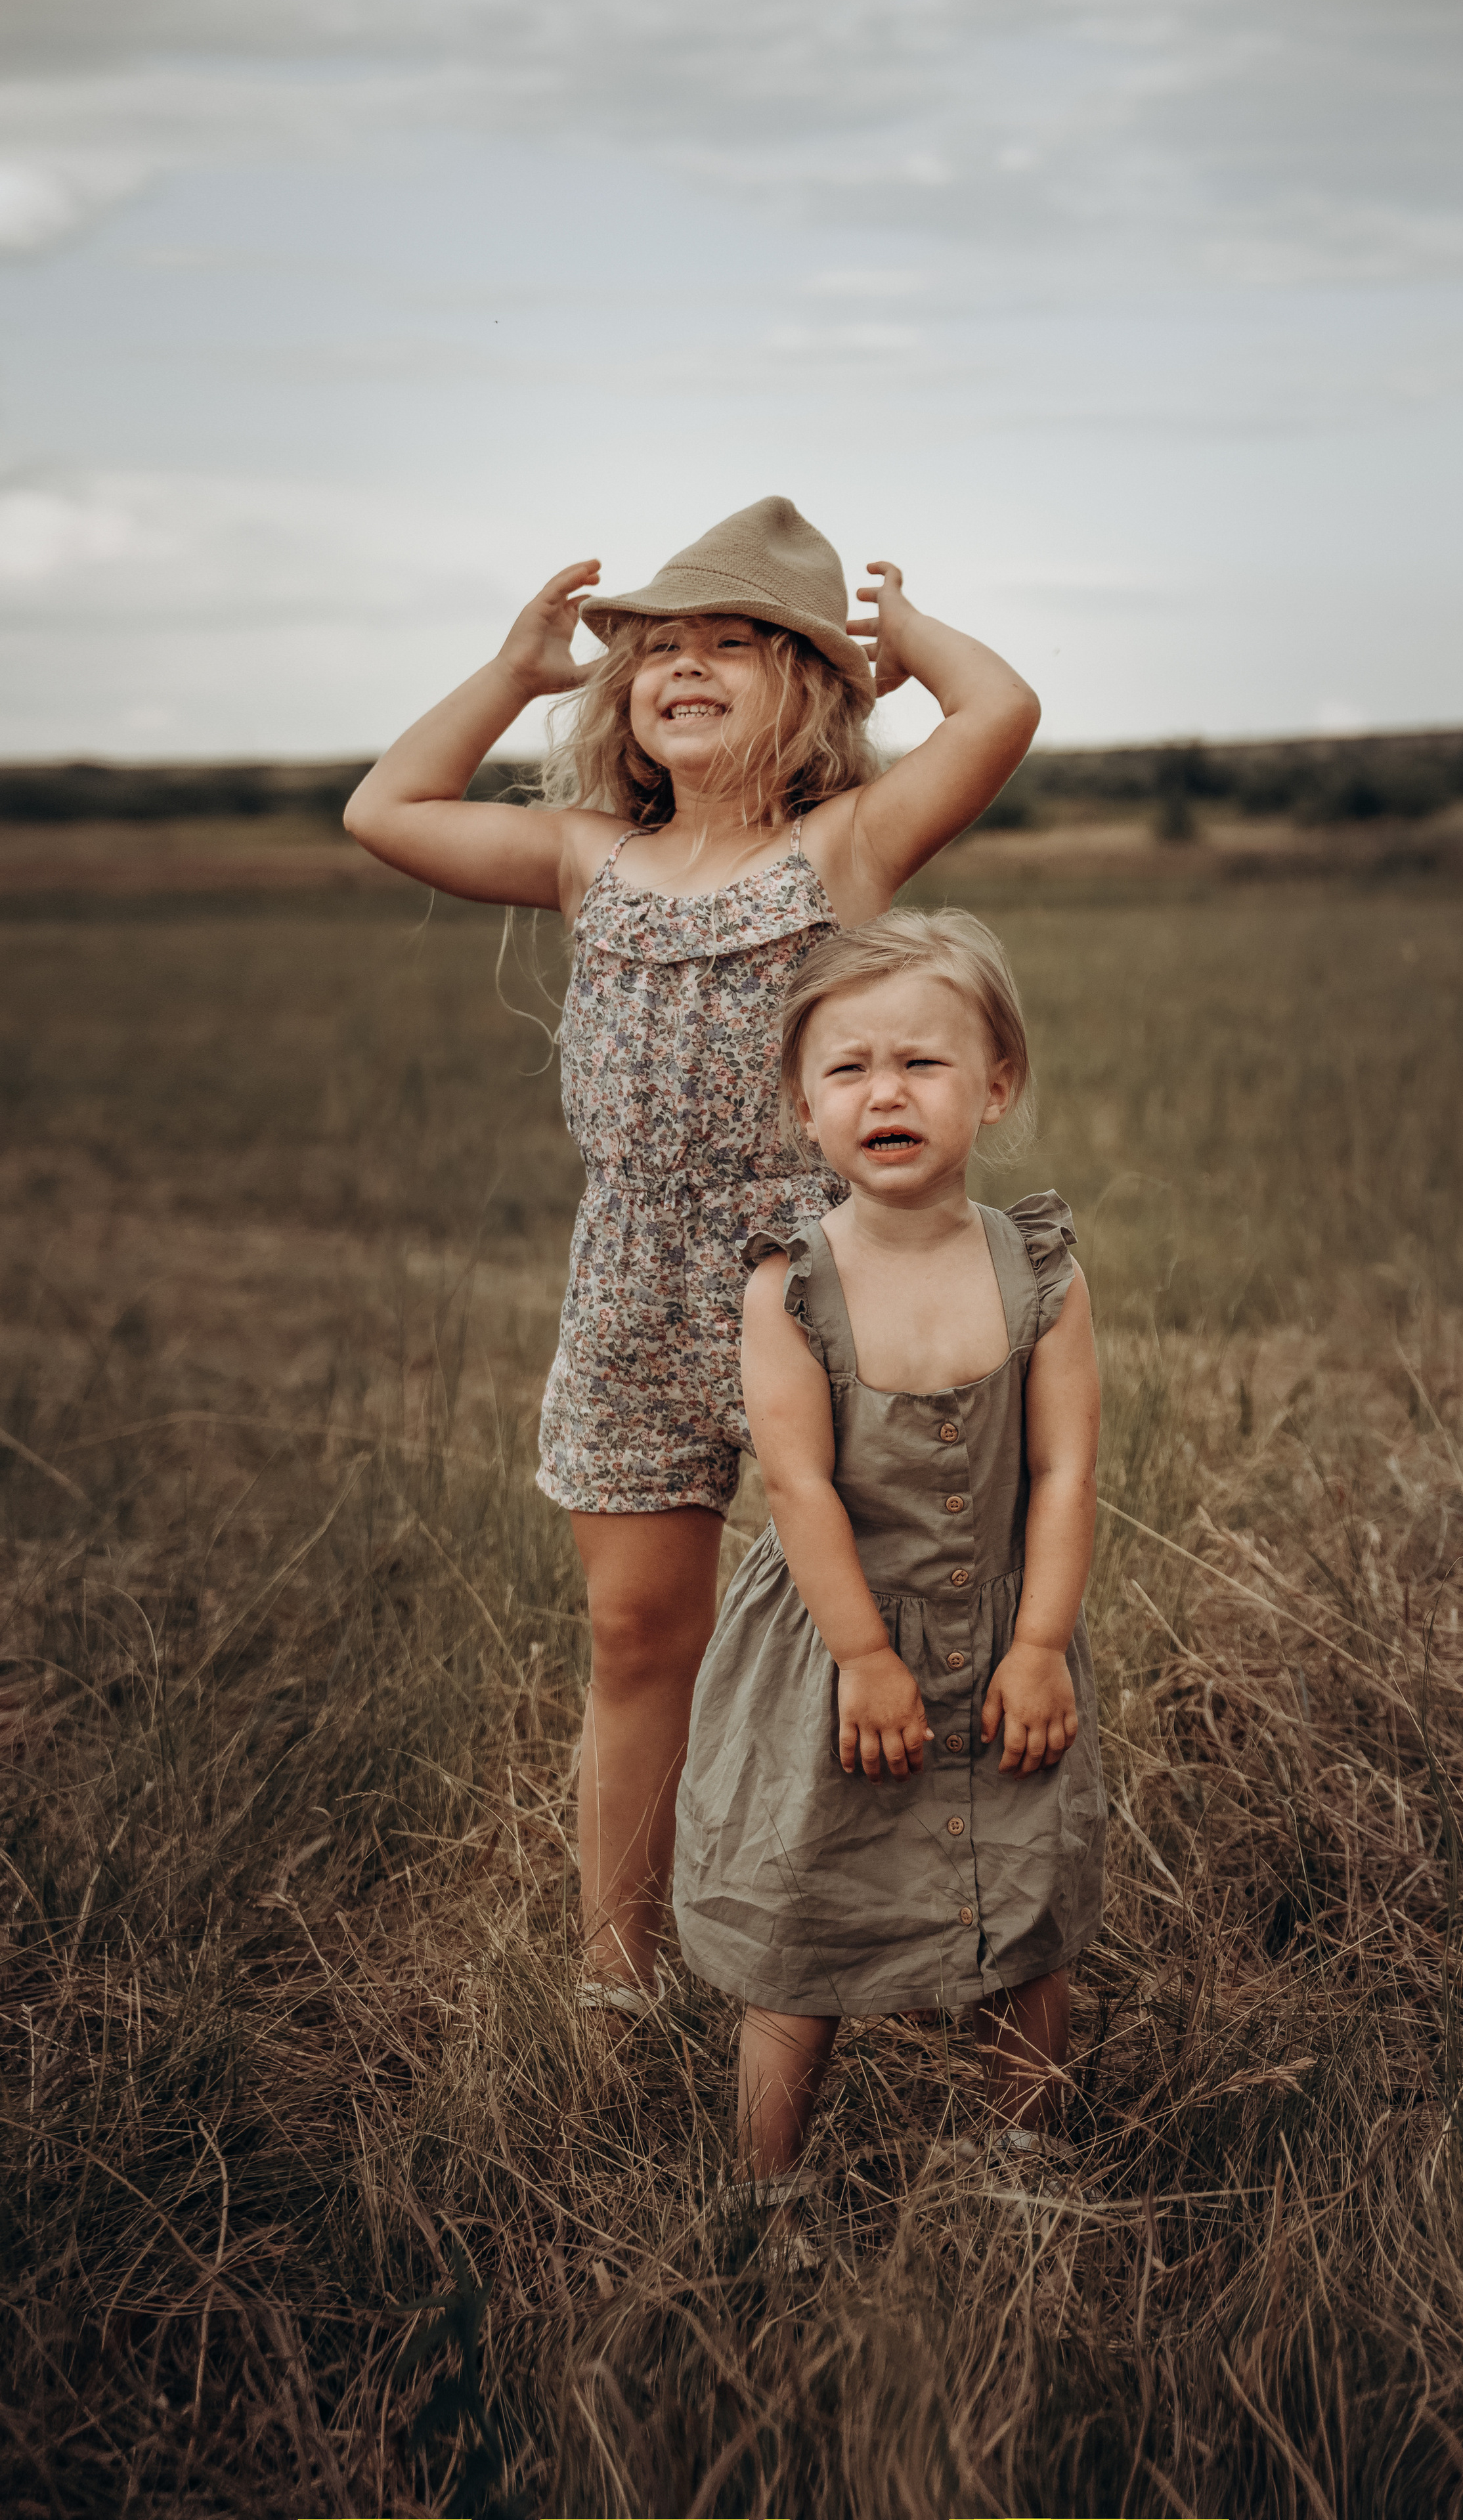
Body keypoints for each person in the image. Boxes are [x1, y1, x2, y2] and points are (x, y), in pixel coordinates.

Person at [343, 498, 1039, 2010]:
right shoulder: (587, 857)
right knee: (634, 1627)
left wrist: (906, 640)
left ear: (805, 693)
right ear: (623, 699)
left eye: (732, 642)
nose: (684, 666)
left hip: (812, 1286)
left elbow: (999, 714)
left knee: (884, 1622)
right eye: (656, 648)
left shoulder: (841, 848)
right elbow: (384, 812)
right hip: (631, 1288)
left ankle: (915, 1939)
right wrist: (510, 673)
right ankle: (622, 1969)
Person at [672, 909, 1104, 2190]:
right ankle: (765, 2189)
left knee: (1025, 1904)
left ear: (994, 1084)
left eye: (921, 1061)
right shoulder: (788, 1289)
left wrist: (1038, 1648)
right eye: (848, 1068)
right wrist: (862, 1656)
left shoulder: (1040, 1273)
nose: (885, 1092)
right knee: (803, 1910)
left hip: (1009, 1641)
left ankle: (1008, 2160)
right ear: (803, 1107)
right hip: (837, 1648)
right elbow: (796, 1484)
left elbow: (1064, 1468)